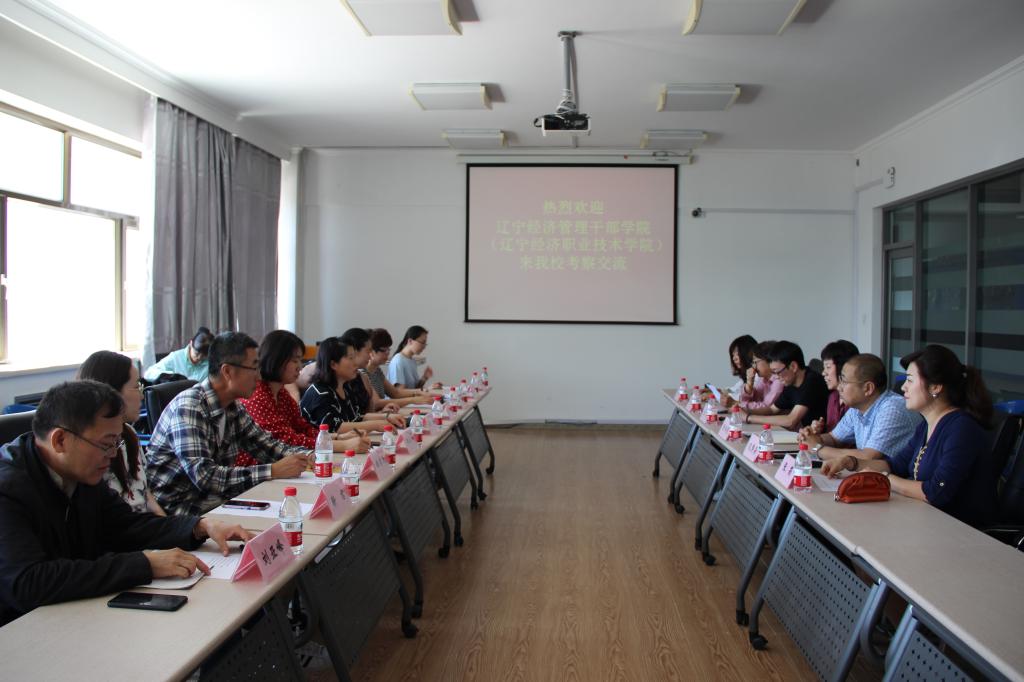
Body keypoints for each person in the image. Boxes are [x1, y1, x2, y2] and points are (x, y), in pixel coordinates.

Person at [0, 380, 251, 625]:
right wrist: (145, 564)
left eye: (116, 443)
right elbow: (28, 582)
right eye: (105, 444)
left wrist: (199, 527)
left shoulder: (80, 473)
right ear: (60, 441)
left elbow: (127, 526)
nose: (112, 455)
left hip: (78, 612)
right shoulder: (8, 489)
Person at [822, 345, 998, 527]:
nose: (903, 387)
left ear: (935, 387)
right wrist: (851, 462)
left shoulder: (962, 428)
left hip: (961, 532)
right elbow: (896, 465)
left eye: (910, 380)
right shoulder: (926, 425)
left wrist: (883, 477)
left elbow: (936, 491)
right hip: (928, 521)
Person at [146, 332, 312, 516]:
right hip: (180, 510)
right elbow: (205, 477)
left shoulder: (233, 407)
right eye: (254, 368)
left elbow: (266, 445)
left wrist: (309, 457)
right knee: (283, 516)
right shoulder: (190, 408)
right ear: (227, 372)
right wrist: (272, 471)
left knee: (290, 511)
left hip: (215, 500)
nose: (259, 377)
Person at [235, 330, 369, 467]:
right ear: (276, 360)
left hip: (284, 464)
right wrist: (343, 445)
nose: (300, 367)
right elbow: (285, 440)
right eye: (295, 360)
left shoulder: (281, 393)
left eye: (300, 360)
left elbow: (302, 428)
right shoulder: (258, 395)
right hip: (260, 470)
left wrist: (336, 437)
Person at [77, 350, 165, 515]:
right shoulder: (88, 449)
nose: (142, 395)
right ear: (112, 392)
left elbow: (144, 492)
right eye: (136, 387)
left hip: (147, 526)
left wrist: (166, 523)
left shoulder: (129, 433)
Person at [799, 354, 920, 465]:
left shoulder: (892, 409)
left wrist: (817, 449)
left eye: (844, 381)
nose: (839, 387)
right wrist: (812, 438)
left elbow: (868, 457)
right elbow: (834, 438)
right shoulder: (857, 408)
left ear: (868, 388)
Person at [300, 337, 404, 434]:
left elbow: (356, 417)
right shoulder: (320, 393)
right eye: (350, 358)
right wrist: (376, 425)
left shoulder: (345, 387)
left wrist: (386, 417)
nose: (356, 363)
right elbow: (334, 428)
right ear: (333, 364)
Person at [741, 340, 829, 430]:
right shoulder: (791, 382)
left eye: (777, 372)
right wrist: (745, 410)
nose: (776, 377)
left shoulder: (812, 382)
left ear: (793, 366)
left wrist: (749, 418)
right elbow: (772, 409)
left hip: (820, 436)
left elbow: (791, 421)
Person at [365, 328, 438, 408]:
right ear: (370, 351)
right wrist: (415, 399)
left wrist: (421, 391)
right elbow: (377, 403)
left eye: (388, 349)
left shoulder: (377, 370)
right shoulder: (363, 373)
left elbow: (395, 393)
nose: (388, 353)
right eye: (384, 350)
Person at [812, 340, 860, 434]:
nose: (823, 373)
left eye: (828, 367)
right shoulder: (833, 397)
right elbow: (832, 435)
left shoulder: (857, 401)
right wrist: (819, 429)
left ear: (843, 367)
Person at [143, 326, 214, 382]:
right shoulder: (176, 358)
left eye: (204, 356)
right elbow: (149, 374)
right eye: (196, 353)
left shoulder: (210, 362)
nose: (199, 358)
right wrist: (172, 376)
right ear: (191, 343)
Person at [738, 340, 784, 411]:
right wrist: (749, 383)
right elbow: (752, 400)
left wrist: (741, 405)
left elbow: (766, 407)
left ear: (769, 360)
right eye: (753, 363)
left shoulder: (779, 381)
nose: (753, 366)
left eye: (755, 362)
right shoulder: (763, 379)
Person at [387, 325, 437, 390]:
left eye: (425, 344)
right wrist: (427, 389)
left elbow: (414, 388)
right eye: (422, 342)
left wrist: (424, 378)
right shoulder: (398, 361)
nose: (424, 346)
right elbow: (399, 392)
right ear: (410, 341)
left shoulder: (412, 360)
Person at [720, 335, 757, 408]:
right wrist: (717, 391)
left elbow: (738, 397)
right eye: (733, 355)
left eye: (737, 354)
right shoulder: (745, 376)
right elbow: (732, 390)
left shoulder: (758, 376)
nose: (734, 358)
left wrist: (732, 401)